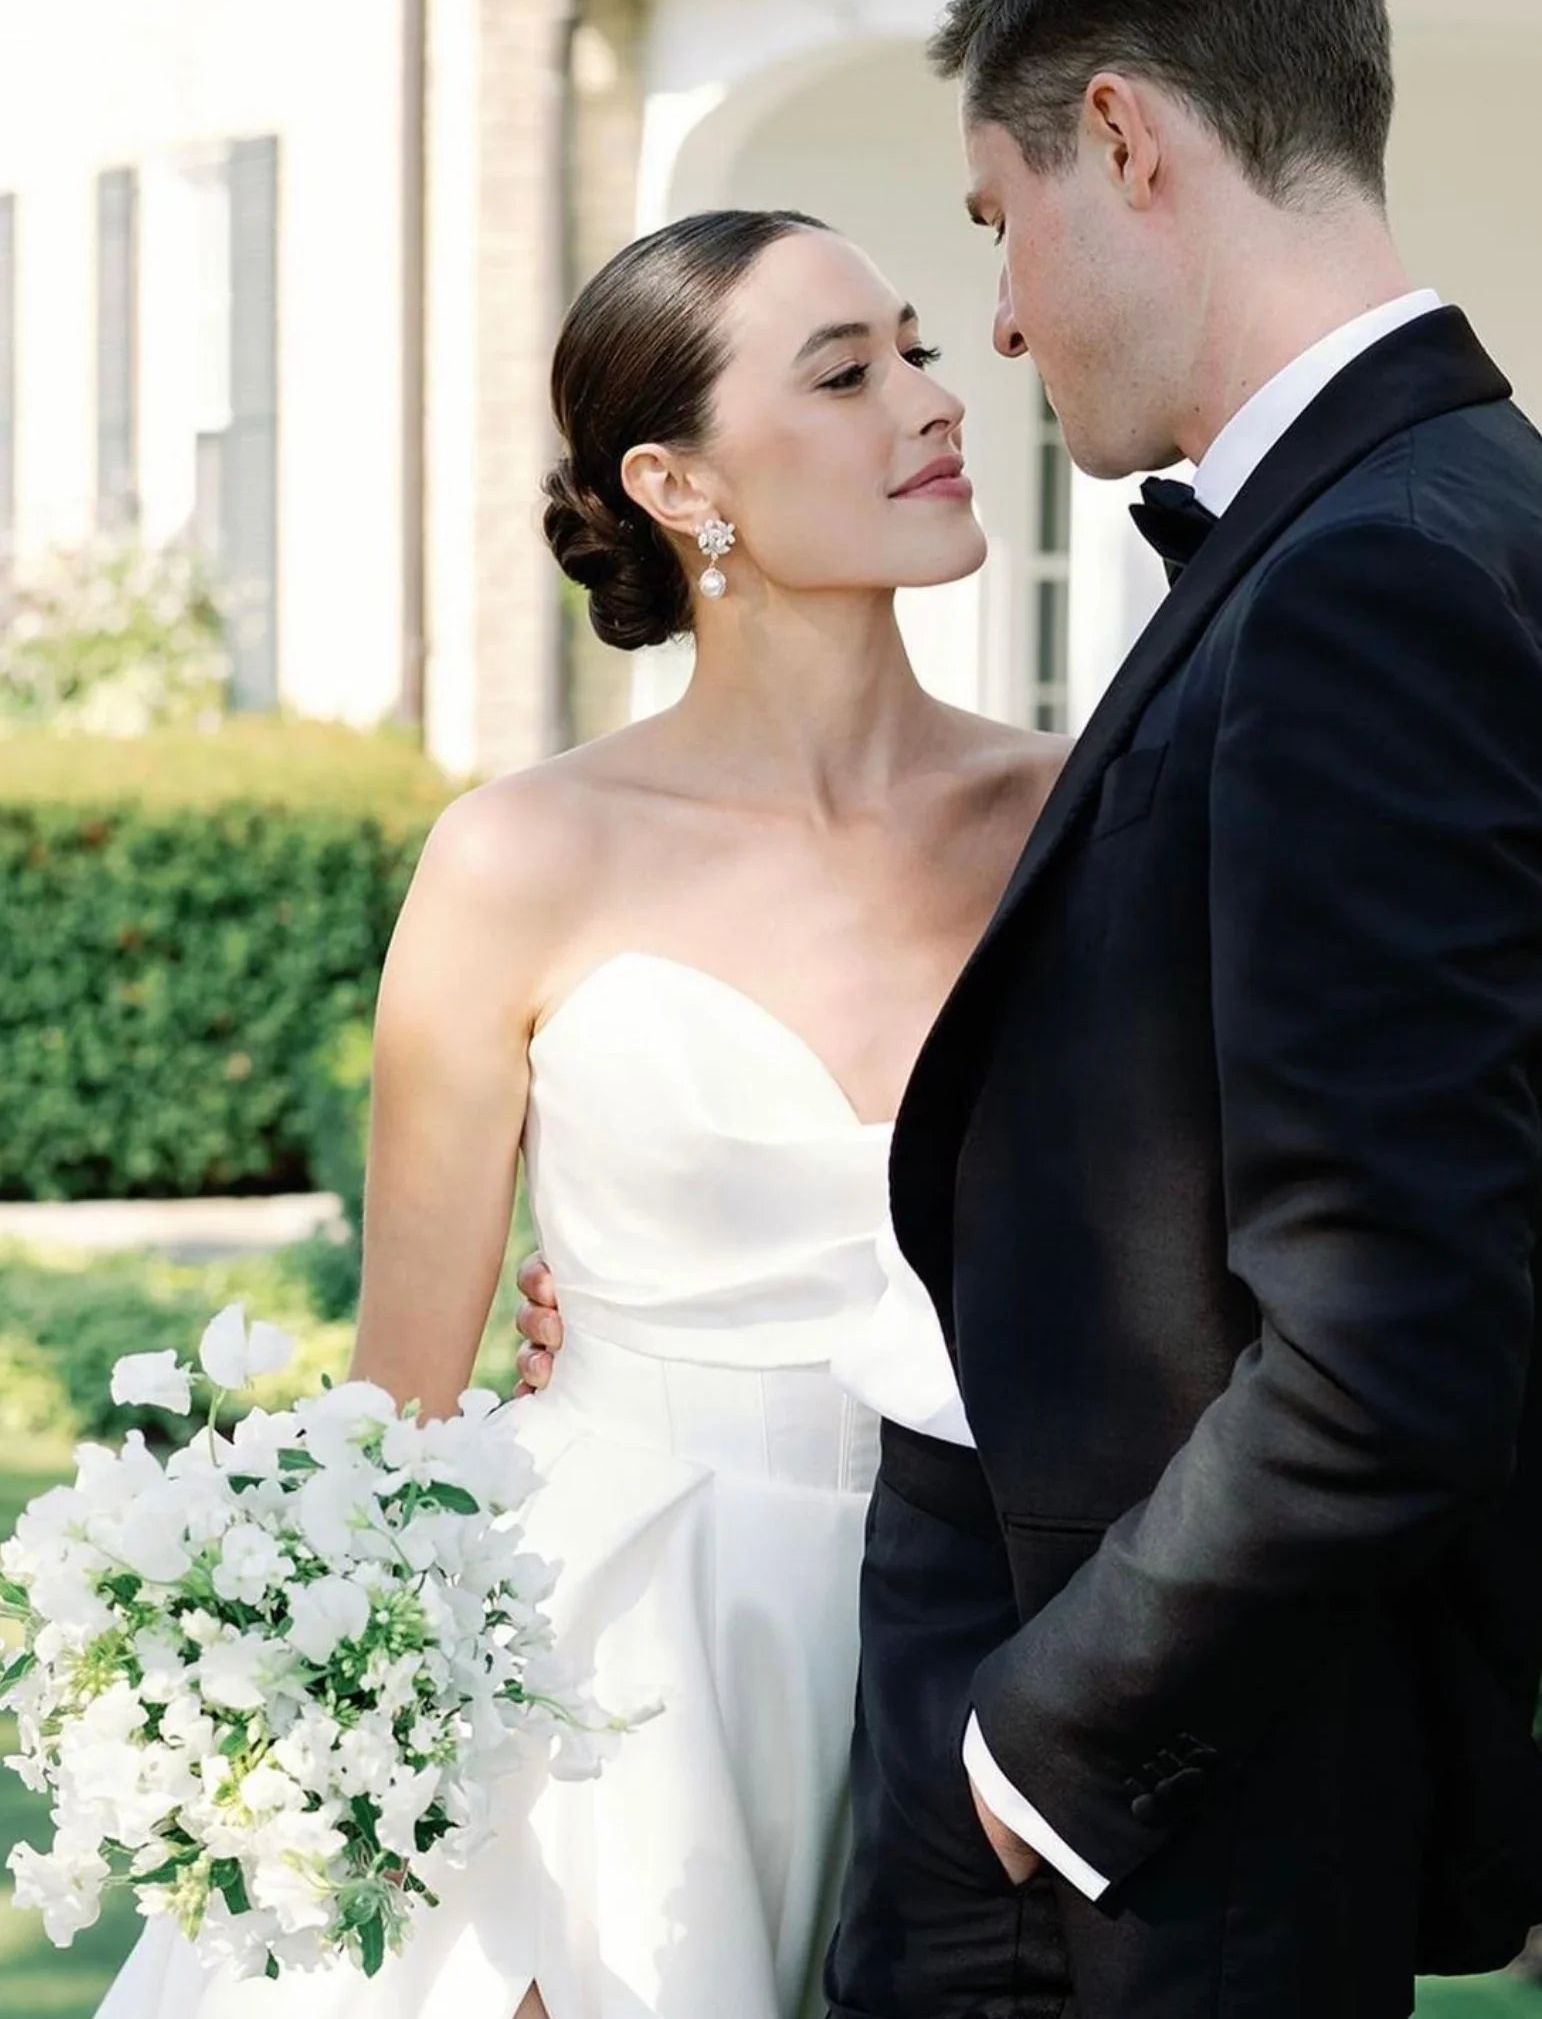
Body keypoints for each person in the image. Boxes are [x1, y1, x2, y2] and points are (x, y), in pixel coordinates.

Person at [520, 0, 1542, 2016]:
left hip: (1120, 1810)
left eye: (990, 230)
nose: (986, 325)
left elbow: (1397, 1312)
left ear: (1124, 140)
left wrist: (1039, 1736)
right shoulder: (1434, 512)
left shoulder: (1366, 575)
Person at [93, 208, 1065, 2019]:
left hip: (990, 1648)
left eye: (918, 348)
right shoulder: (521, 856)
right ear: (676, 483)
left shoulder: (1074, 819)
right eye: (846, 374)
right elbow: (397, 1405)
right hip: (613, 1657)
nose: (932, 402)